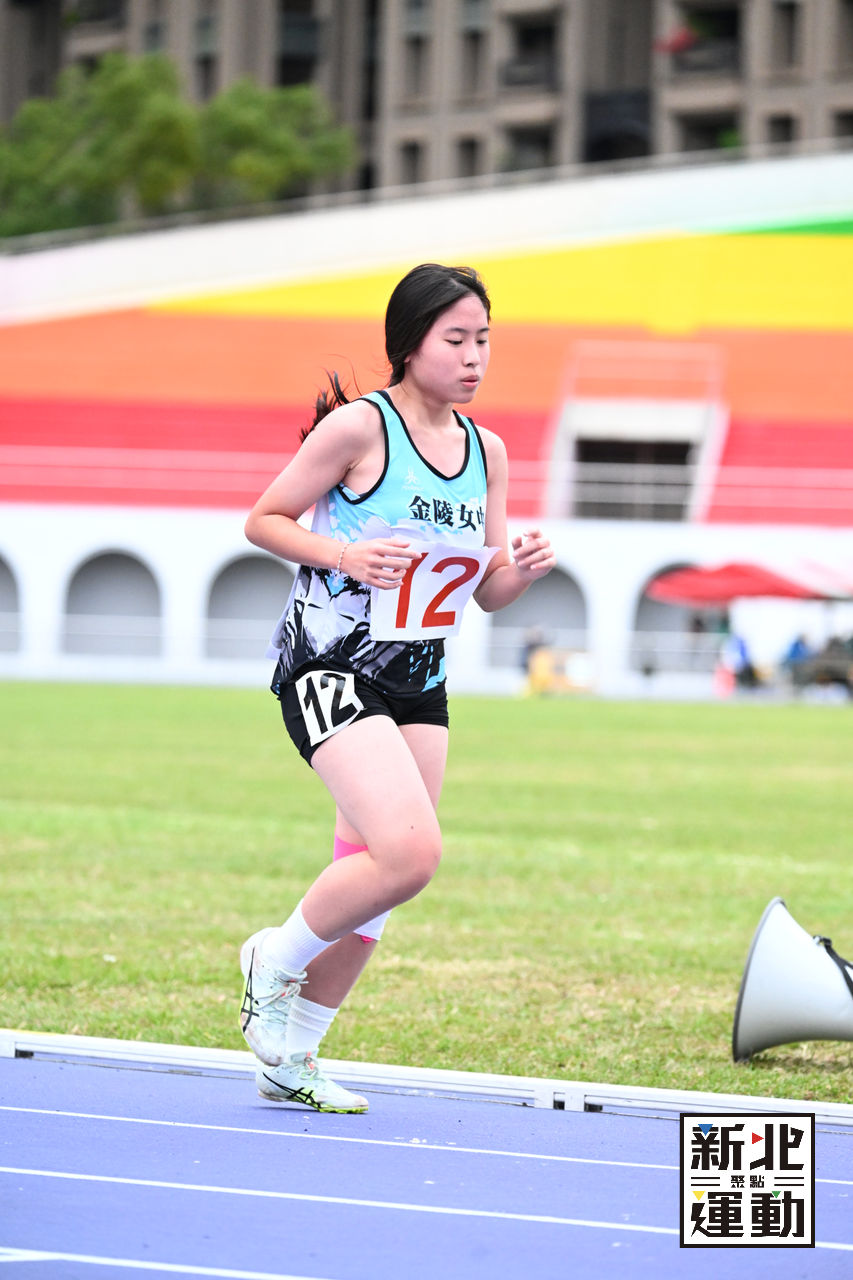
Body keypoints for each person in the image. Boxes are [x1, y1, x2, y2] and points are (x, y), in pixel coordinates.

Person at [239, 263, 556, 1113]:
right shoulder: (358, 427)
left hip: (419, 680)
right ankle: (272, 957)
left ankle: (293, 1054)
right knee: (411, 853)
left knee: (381, 874)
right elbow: (263, 519)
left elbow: (486, 590)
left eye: (483, 339)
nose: (474, 356)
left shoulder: (487, 451)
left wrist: (520, 572)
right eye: (456, 339)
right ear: (409, 343)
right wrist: (345, 554)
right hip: (329, 665)